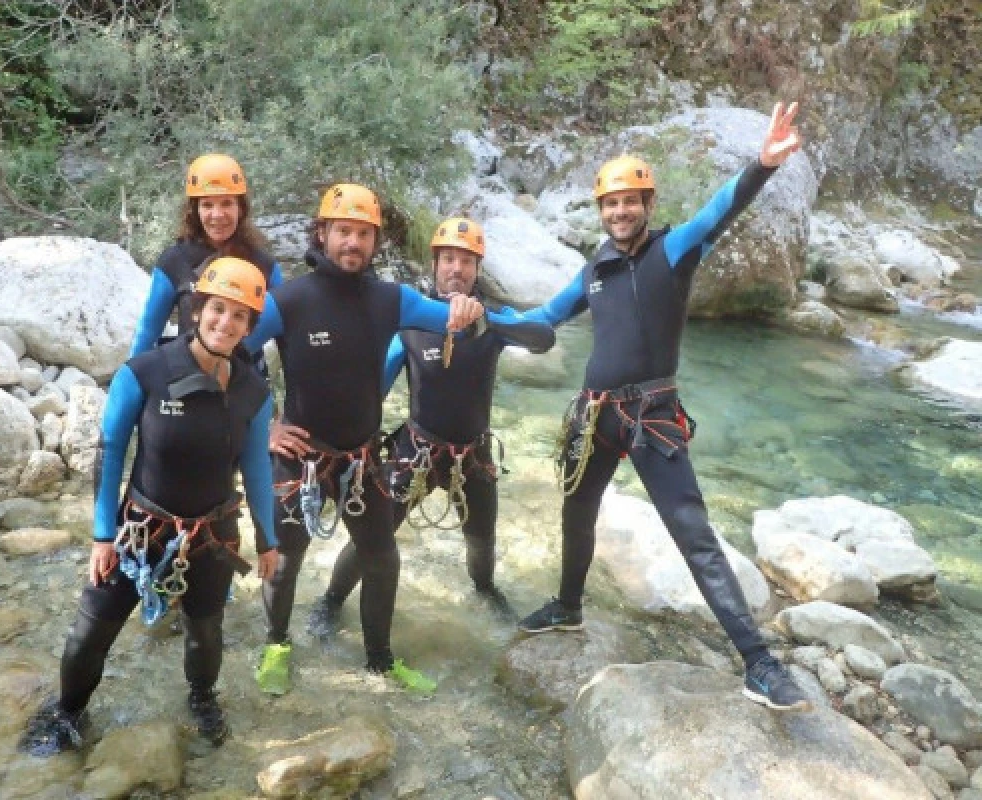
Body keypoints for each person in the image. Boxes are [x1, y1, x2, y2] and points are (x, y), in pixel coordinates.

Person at [517, 102, 813, 712]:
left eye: (630, 200)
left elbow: (719, 210)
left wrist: (761, 165)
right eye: (610, 203)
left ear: (647, 205)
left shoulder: (673, 251)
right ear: (600, 211)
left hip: (653, 417)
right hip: (595, 416)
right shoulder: (593, 268)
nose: (619, 211)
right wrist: (471, 321)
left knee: (693, 534)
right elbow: (543, 321)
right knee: (576, 514)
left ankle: (759, 663)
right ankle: (569, 606)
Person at [243, 184, 532, 696]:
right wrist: (263, 424)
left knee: (383, 558)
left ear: (375, 241)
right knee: (287, 558)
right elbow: (232, 352)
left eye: (363, 234)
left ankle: (380, 661)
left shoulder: (391, 300)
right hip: (302, 457)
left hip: (361, 461)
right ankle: (277, 645)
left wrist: (468, 311)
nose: (352, 243)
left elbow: (446, 317)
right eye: (343, 232)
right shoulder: (290, 300)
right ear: (323, 234)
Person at [20, 258, 281, 753]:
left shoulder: (253, 390)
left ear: (251, 326)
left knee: (205, 633)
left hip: (212, 535)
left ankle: (202, 699)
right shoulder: (145, 372)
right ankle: (67, 712)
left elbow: (258, 469)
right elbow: (110, 451)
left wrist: (268, 540)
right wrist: (101, 535)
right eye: (217, 309)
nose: (225, 322)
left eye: (238, 316)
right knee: (89, 633)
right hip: (139, 529)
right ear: (198, 309)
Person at [306, 217, 555, 636]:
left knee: (481, 536)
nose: (456, 269)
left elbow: (543, 338)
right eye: (448, 260)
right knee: (376, 534)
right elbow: (376, 386)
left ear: (477, 269)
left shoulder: (494, 319)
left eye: (466, 261)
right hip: (417, 450)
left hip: (473, 453)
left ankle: (485, 588)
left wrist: (487, 322)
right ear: (435, 265)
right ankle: (331, 600)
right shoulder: (412, 322)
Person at [129, 154, 283, 357]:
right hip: (188, 378)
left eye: (227, 203)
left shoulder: (265, 266)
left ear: (240, 208)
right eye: (207, 205)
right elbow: (148, 331)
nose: (217, 215)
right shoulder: (174, 262)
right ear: (195, 210)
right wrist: (132, 380)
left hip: (246, 381)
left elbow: (286, 331)